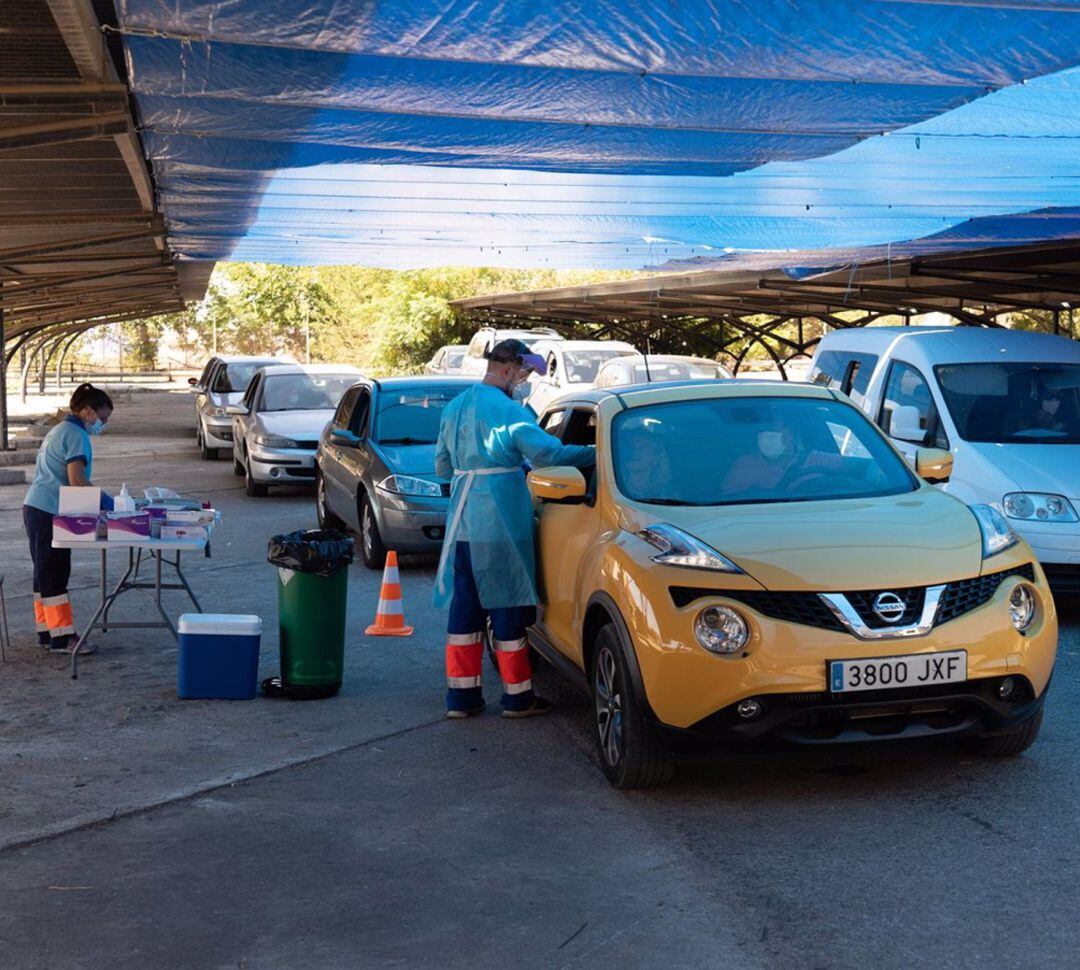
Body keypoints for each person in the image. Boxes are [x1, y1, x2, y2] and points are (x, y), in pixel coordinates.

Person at [434, 339, 595, 719]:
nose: (525, 382)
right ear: (508, 370)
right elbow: (550, 455)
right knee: (506, 609)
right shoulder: (509, 411)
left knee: (465, 613)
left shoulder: (454, 408)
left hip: (462, 526)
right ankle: (518, 698)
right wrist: (598, 453)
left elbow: (442, 468)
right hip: (500, 523)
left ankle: (462, 700)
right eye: (525, 374)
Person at [22, 383, 115, 654]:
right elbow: (77, 480)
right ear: (87, 412)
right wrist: (108, 503)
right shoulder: (76, 434)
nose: (103, 423)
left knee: (43, 573)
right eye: (103, 417)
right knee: (54, 572)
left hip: (36, 507)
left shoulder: (59, 429)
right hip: (48, 510)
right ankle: (63, 638)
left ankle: (47, 631)